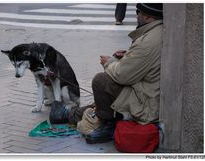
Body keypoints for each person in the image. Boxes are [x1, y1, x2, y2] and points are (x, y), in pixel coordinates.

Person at [52, 3, 164, 144]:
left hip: (147, 103)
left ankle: (106, 126)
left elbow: (122, 75)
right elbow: (142, 64)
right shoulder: (156, 32)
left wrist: (109, 62)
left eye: (138, 12)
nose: (136, 15)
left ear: (148, 16)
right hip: (145, 91)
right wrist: (127, 56)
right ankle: (68, 114)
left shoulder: (148, 41)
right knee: (101, 102)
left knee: (101, 81)